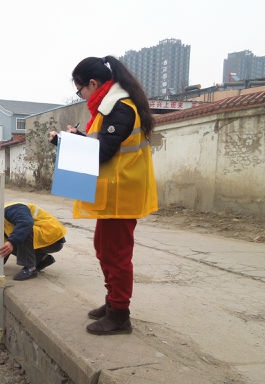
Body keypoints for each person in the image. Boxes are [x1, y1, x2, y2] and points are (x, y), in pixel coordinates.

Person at [49, 55, 158, 335]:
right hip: (113, 193)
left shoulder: (119, 108)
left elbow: (103, 152)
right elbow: (103, 145)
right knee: (104, 248)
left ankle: (120, 315)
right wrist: (75, 140)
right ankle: (113, 303)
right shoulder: (108, 107)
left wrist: (66, 142)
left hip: (122, 194)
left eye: (80, 89)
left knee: (116, 255)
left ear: (93, 83)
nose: (81, 95)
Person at [0, 203, 67, 281]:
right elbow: (3, 245)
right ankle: (42, 259)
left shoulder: (11, 210)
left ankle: (30, 268)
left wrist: (11, 242)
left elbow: (26, 223)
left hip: (53, 237)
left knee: (20, 233)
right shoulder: (3, 226)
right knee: (9, 245)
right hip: (44, 239)